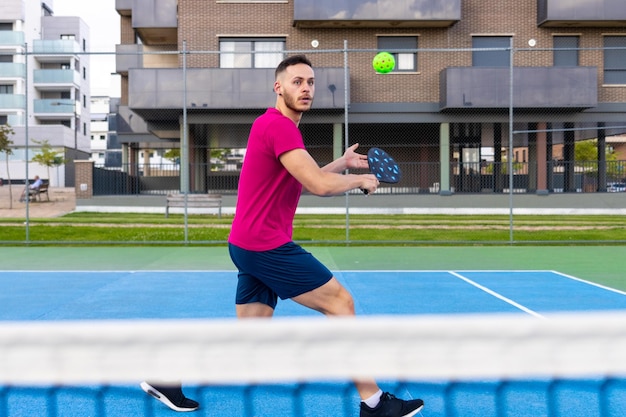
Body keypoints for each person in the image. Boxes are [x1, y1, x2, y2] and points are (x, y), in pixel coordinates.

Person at [228, 54, 424, 417]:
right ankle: (374, 403)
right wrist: (360, 179)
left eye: (310, 82)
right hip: (265, 244)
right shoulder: (280, 127)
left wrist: (343, 164)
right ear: (279, 87)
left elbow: (299, 179)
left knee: (249, 337)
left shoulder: (274, 127)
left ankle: (168, 377)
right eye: (297, 81)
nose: (305, 89)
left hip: (246, 243)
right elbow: (317, 185)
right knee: (341, 303)